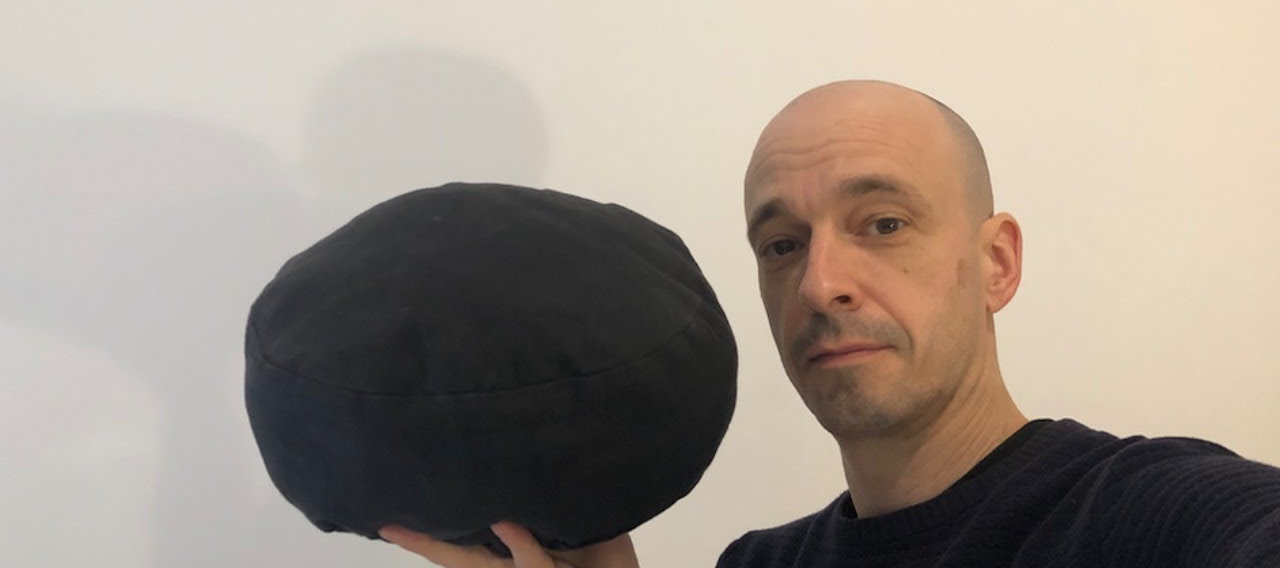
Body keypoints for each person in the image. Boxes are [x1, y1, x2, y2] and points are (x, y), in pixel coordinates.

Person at [381, 80, 1280, 567]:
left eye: (883, 225)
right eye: (781, 245)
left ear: (997, 263)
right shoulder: (757, 566)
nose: (820, 284)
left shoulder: (1154, 516)